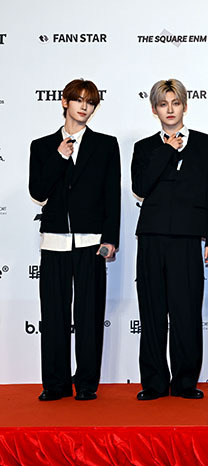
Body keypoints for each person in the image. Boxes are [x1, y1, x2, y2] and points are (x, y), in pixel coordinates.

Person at [29, 78, 121, 401]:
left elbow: (112, 196)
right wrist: (59, 156)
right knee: (54, 315)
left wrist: (110, 238)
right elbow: (38, 191)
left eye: (90, 102)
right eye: (79, 99)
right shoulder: (42, 146)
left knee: (89, 316)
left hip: (91, 244)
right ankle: (54, 384)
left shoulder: (106, 145)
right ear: (65, 102)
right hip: (54, 244)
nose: (84, 106)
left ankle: (86, 384)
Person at [131, 79, 208, 401]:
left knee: (186, 313)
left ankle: (185, 382)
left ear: (185, 105)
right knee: (152, 312)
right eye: (163, 104)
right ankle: (154, 383)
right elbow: (141, 187)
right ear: (154, 109)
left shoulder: (206, 144)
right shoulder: (144, 147)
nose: (170, 110)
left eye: (175, 103)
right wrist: (167, 150)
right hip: (152, 237)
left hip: (187, 239)